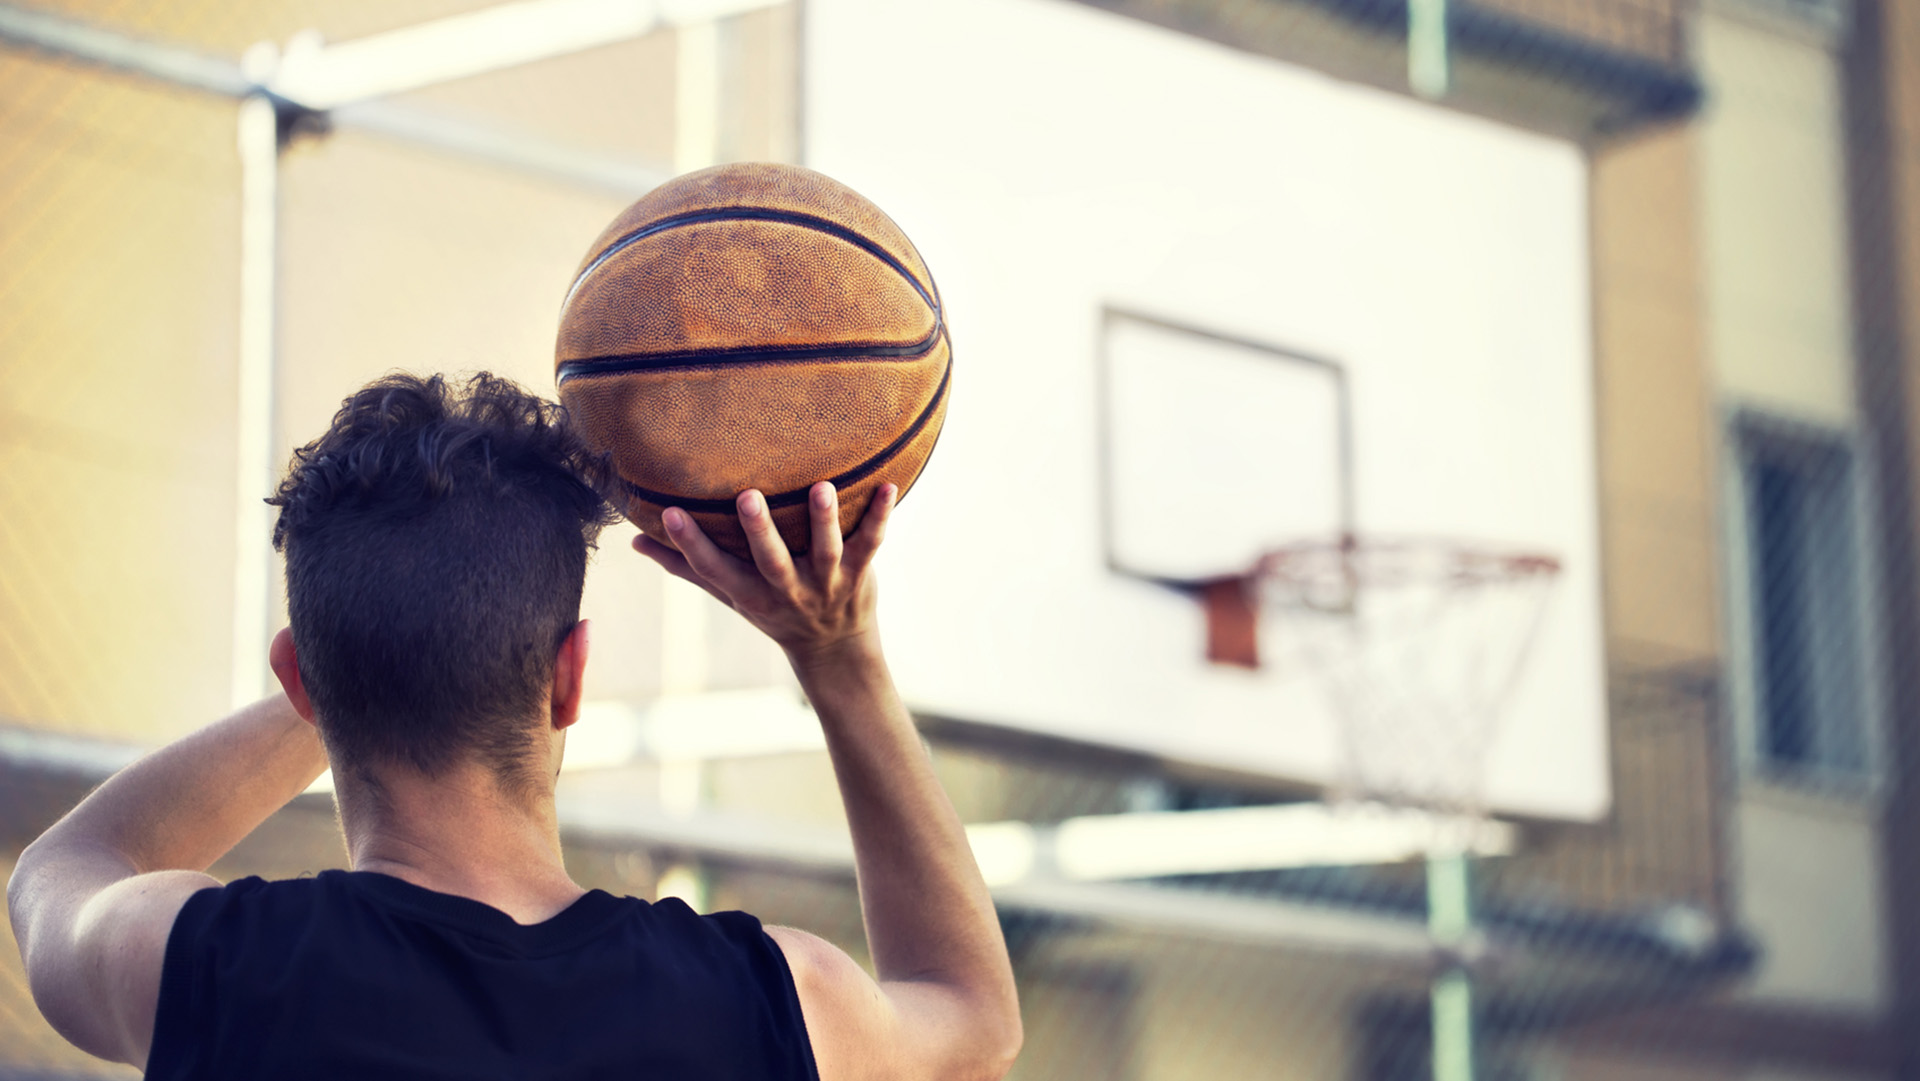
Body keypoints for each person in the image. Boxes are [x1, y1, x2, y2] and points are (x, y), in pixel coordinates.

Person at [7, 372, 1022, 1080]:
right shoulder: (771, 998)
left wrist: (357, 658)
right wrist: (839, 657)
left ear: (302, 683)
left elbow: (60, 869)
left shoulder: (205, 962)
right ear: (568, 678)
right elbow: (973, 1025)